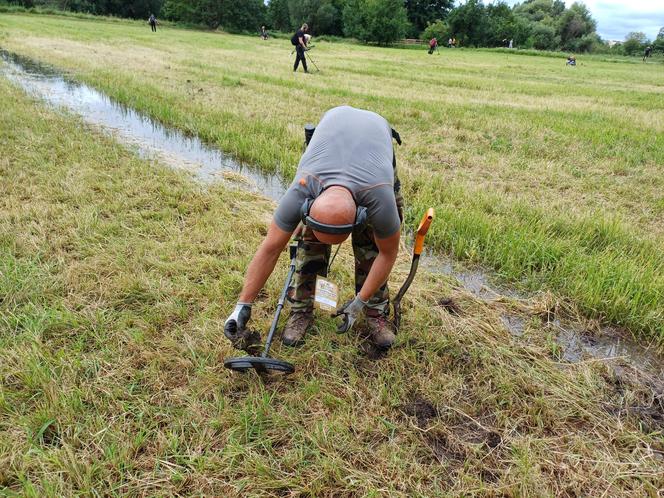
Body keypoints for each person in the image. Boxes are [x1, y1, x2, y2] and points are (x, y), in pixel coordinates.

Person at [224, 106, 405, 351]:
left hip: (372, 147)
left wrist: (358, 302)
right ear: (307, 207)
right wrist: (241, 307)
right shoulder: (303, 188)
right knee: (309, 245)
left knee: (371, 245)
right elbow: (270, 248)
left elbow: (388, 253)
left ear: (361, 215)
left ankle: (375, 312)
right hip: (330, 141)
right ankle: (301, 310)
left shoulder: (378, 196)